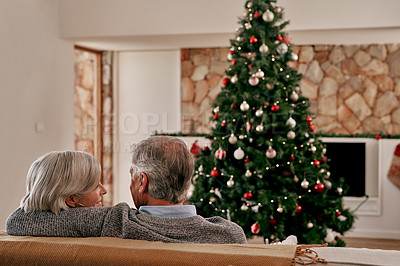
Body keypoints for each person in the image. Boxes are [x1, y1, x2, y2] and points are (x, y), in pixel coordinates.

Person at [7, 136, 247, 244]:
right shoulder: (230, 234)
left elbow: (18, 222)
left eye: (132, 177)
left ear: (142, 182)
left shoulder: (114, 222)